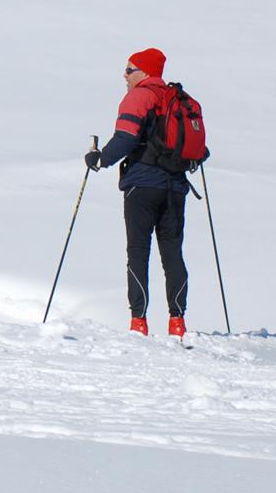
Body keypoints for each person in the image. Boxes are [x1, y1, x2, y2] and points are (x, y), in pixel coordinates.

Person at [84, 47, 193, 339]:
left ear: (144, 72)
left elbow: (126, 137)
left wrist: (100, 159)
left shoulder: (139, 96)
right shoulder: (177, 99)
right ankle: (177, 322)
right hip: (175, 186)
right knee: (172, 252)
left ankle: (138, 322)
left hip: (142, 185)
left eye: (130, 69)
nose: (125, 74)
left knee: (138, 252)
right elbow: (198, 148)